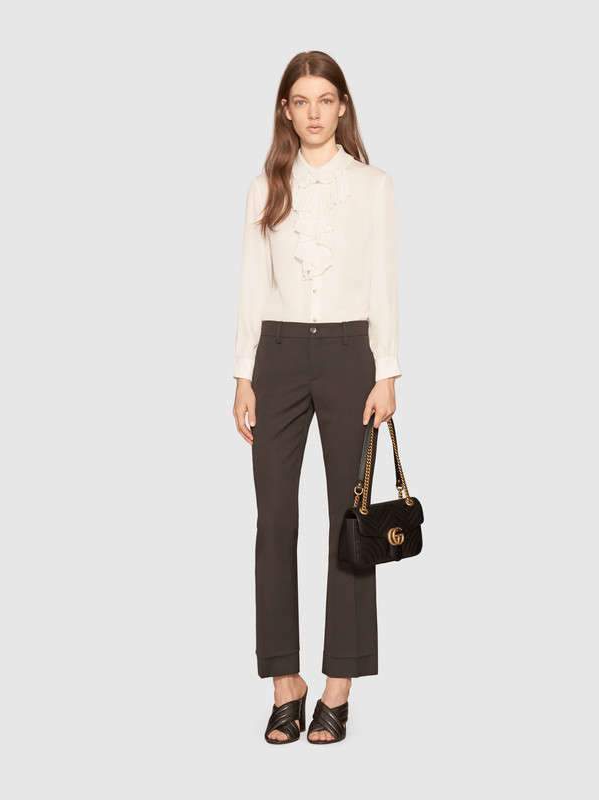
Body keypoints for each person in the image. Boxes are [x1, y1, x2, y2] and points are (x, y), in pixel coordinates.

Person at [232, 50, 402, 744]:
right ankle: (285, 682)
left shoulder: (373, 186)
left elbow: (384, 279)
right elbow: (252, 282)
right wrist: (242, 373)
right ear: (285, 109)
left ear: (342, 106)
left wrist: (386, 370)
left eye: (325, 99)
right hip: (275, 355)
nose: (313, 113)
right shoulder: (265, 186)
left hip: (348, 354)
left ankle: (339, 684)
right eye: (300, 100)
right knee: (275, 518)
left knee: (348, 521)